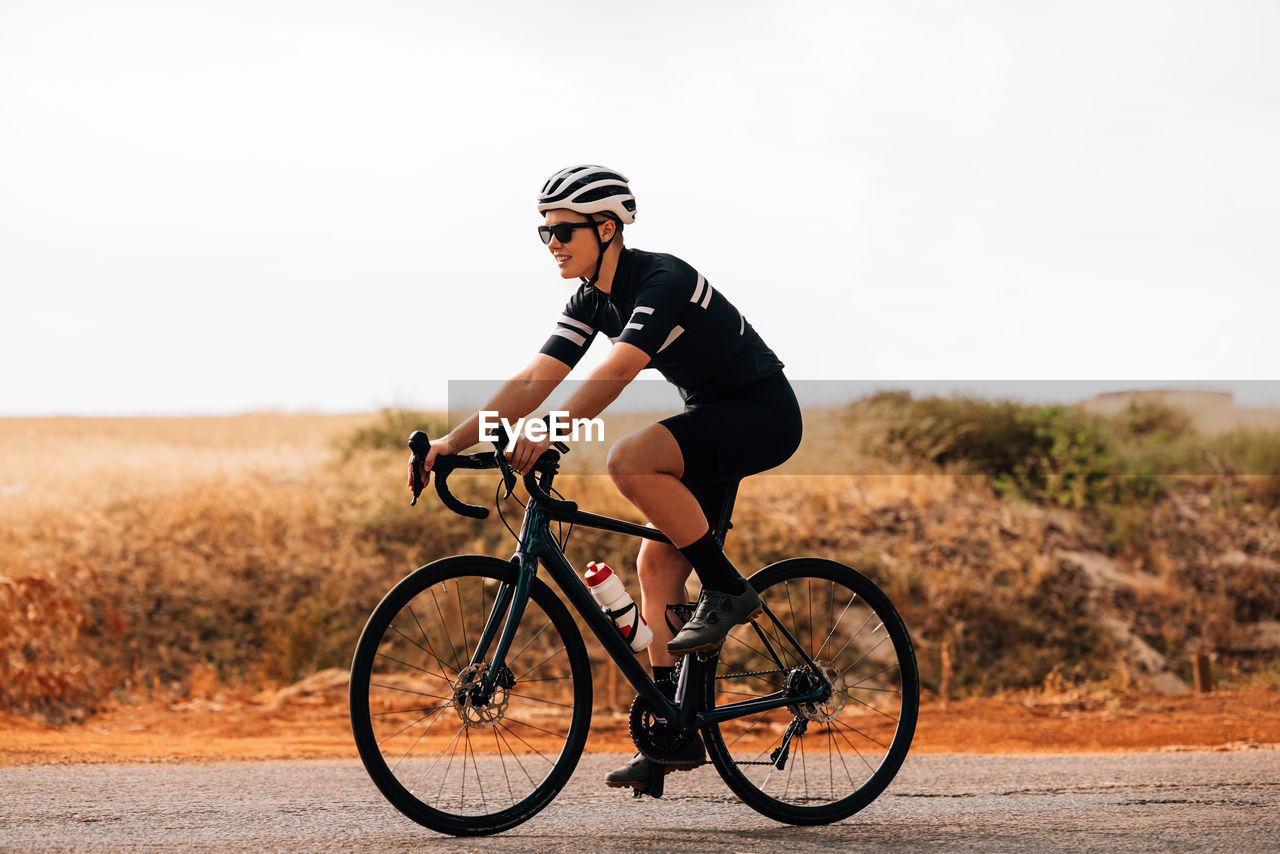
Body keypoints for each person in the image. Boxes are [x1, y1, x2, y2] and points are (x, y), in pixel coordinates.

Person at [412, 165, 803, 788]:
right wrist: (452, 444)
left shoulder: (663, 278)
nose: (553, 244)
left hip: (762, 413)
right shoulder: (592, 298)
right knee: (656, 566)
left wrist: (551, 431)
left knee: (629, 458)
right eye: (544, 233)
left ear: (606, 227)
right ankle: (677, 733)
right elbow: (534, 380)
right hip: (714, 417)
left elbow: (618, 370)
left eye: (564, 230)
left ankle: (729, 591)